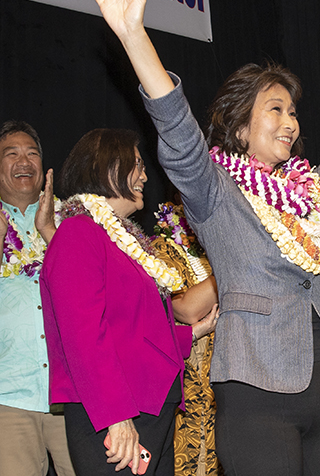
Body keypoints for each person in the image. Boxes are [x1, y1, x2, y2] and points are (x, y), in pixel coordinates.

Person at [91, 0, 320, 475]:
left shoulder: (310, 192)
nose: (290, 122)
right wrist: (133, 36)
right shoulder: (215, 191)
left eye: (294, 111)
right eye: (275, 109)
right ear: (240, 129)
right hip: (258, 394)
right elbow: (180, 133)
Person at [40, 128, 218, 476]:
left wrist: (193, 332)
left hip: (154, 408)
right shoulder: (79, 232)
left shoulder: (127, 243)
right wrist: (116, 416)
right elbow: (83, 334)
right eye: (137, 164)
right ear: (107, 168)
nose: (145, 175)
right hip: (118, 411)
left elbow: (137, 328)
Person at [0, 121, 75, 476]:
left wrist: (52, 234)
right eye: (11, 153)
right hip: (8, 398)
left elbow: (88, 292)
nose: (23, 161)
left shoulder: (70, 219)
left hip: (72, 395)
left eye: (32, 153)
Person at [152, 200, 221, 476]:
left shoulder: (214, 249)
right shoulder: (162, 247)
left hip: (223, 388)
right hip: (186, 389)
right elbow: (187, 308)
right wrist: (236, 261)